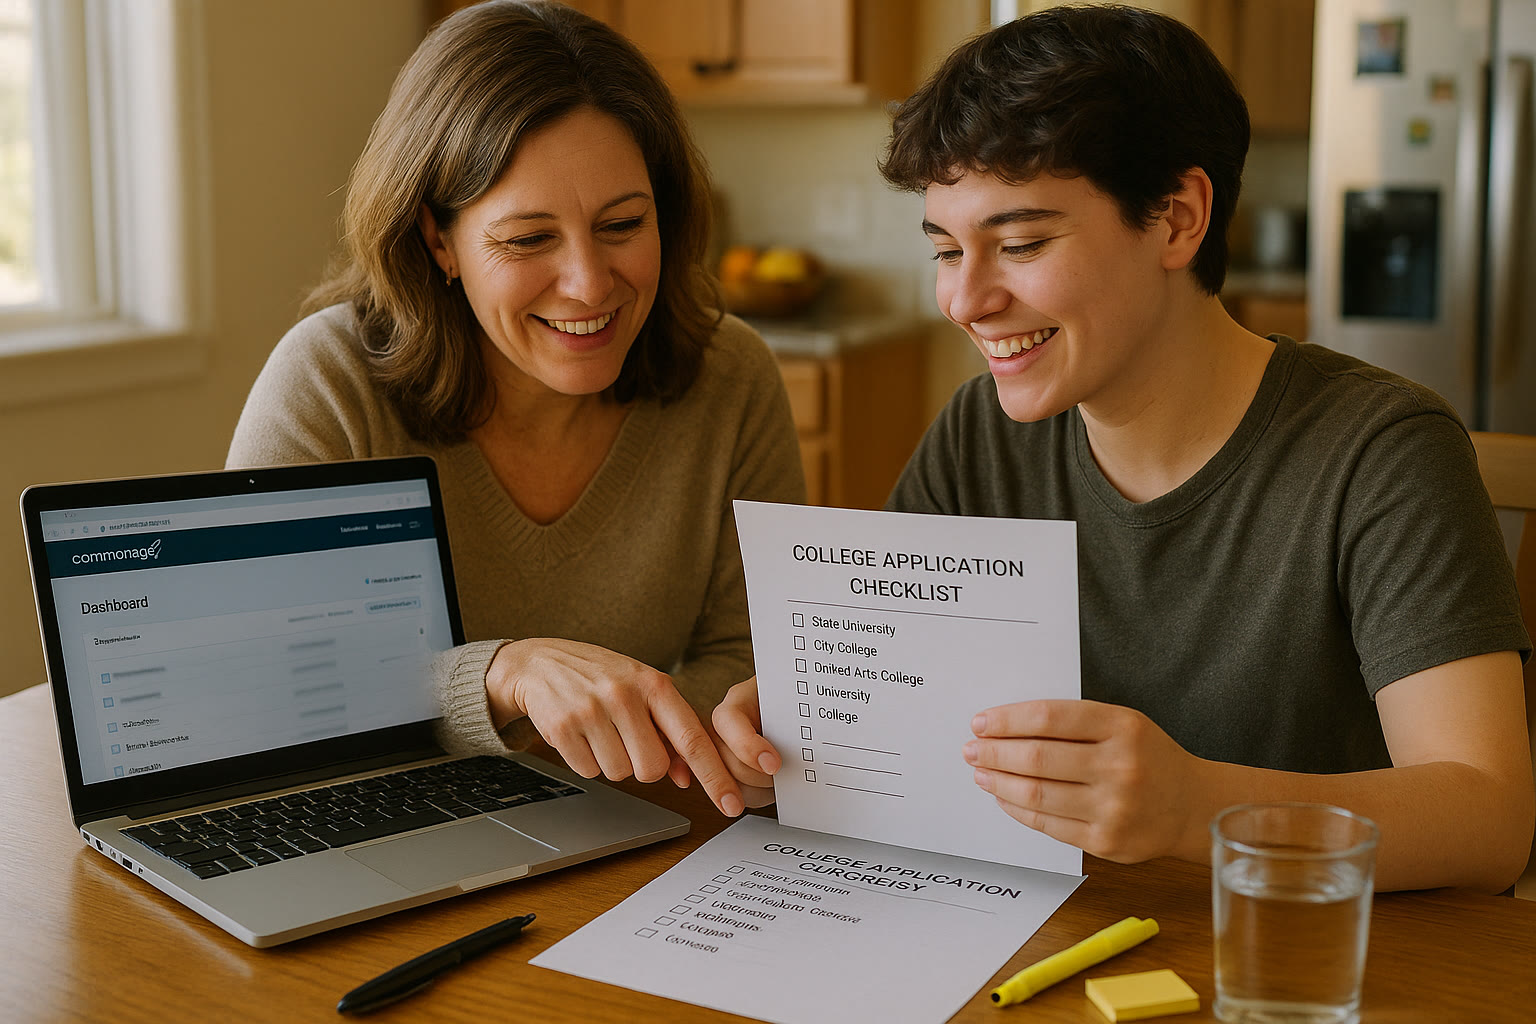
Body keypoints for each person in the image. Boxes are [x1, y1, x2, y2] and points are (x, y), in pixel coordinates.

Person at [713, 4, 1533, 891]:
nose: (964, 300)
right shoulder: (976, 435)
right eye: (948, 250)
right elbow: (913, 716)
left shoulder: (1380, 453)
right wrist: (811, 729)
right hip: (1051, 936)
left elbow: (1487, 818)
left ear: (1178, 219)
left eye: (1020, 242)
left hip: (1296, 958)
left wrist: (1193, 807)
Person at [227, 0, 805, 819]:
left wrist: (704, 733)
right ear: (438, 240)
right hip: (385, 836)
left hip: (637, 834)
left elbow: (755, 659)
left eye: (623, 224)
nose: (590, 284)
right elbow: (250, 677)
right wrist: (498, 678)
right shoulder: (329, 382)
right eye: (529, 239)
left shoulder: (731, 373)